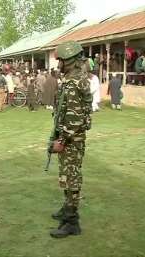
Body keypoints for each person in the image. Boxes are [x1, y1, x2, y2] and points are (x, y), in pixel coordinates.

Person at [49, 41, 92, 238]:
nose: (58, 64)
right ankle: (67, 209)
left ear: (69, 61)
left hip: (72, 140)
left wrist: (62, 140)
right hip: (69, 137)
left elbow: (75, 118)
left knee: (72, 179)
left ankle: (72, 222)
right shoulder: (72, 78)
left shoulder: (75, 81)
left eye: (60, 61)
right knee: (66, 176)